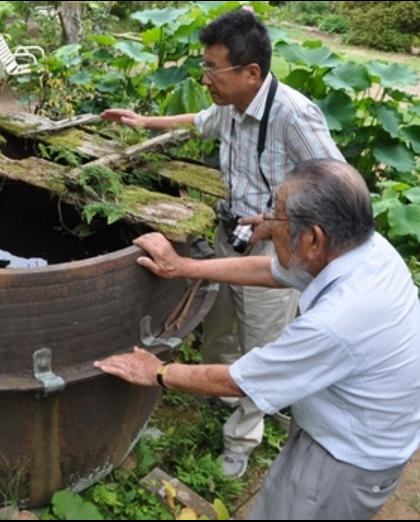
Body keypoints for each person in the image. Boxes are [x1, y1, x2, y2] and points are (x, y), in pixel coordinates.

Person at [94, 158, 420, 520]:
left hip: (345, 459)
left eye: (276, 215)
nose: (267, 223)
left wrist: (155, 372)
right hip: (348, 425)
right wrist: (183, 267)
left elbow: (239, 380)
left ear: (313, 238)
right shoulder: (365, 250)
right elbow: (271, 269)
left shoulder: (337, 321)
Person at [100, 8, 346, 477]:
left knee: (261, 348)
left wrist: (280, 222)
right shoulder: (231, 106)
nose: (205, 77)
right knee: (218, 324)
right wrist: (142, 122)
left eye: (213, 68)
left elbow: (336, 183)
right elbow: (200, 121)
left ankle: (243, 436)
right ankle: (217, 397)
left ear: (251, 73)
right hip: (228, 233)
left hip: (274, 248)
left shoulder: (293, 114)